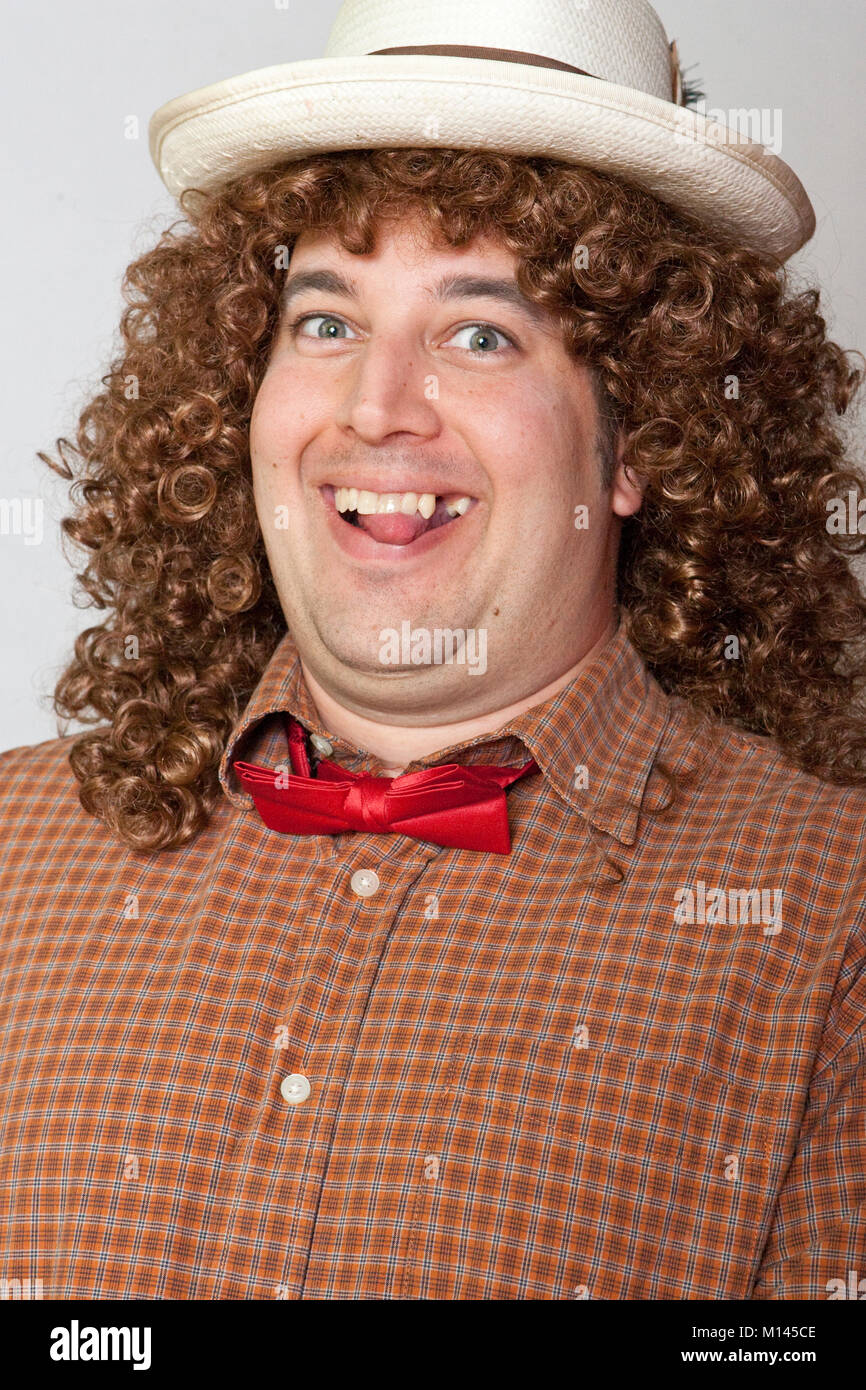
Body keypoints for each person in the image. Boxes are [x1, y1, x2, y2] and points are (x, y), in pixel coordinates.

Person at [1, 0, 864, 1301]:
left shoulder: (833, 927)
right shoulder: (11, 860)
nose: (375, 409)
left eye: (479, 333)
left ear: (641, 436)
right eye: (327, 321)